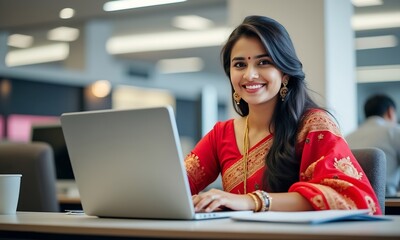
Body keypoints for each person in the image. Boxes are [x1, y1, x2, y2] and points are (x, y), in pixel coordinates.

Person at [184, 15, 382, 215]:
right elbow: (176, 185)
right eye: (240, 64)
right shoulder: (221, 134)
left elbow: (350, 197)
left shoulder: (313, 126)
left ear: (284, 73)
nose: (249, 75)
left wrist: (251, 201)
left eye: (263, 62)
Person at [346, 94, 400, 197]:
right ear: (390, 112)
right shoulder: (394, 131)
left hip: (352, 199)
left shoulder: (347, 136)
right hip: (387, 201)